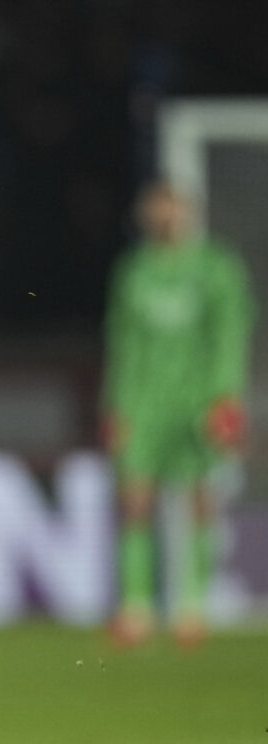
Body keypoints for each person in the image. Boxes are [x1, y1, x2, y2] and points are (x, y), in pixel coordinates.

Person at [103, 181, 254, 648]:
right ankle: (137, 608)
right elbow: (121, 343)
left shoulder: (217, 269)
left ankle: (193, 606)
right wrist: (116, 405)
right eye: (157, 209)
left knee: (200, 500)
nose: (165, 217)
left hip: (196, 401)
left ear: (188, 213)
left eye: (172, 209)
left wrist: (226, 399)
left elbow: (231, 337)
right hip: (144, 403)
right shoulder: (134, 271)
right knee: (135, 502)